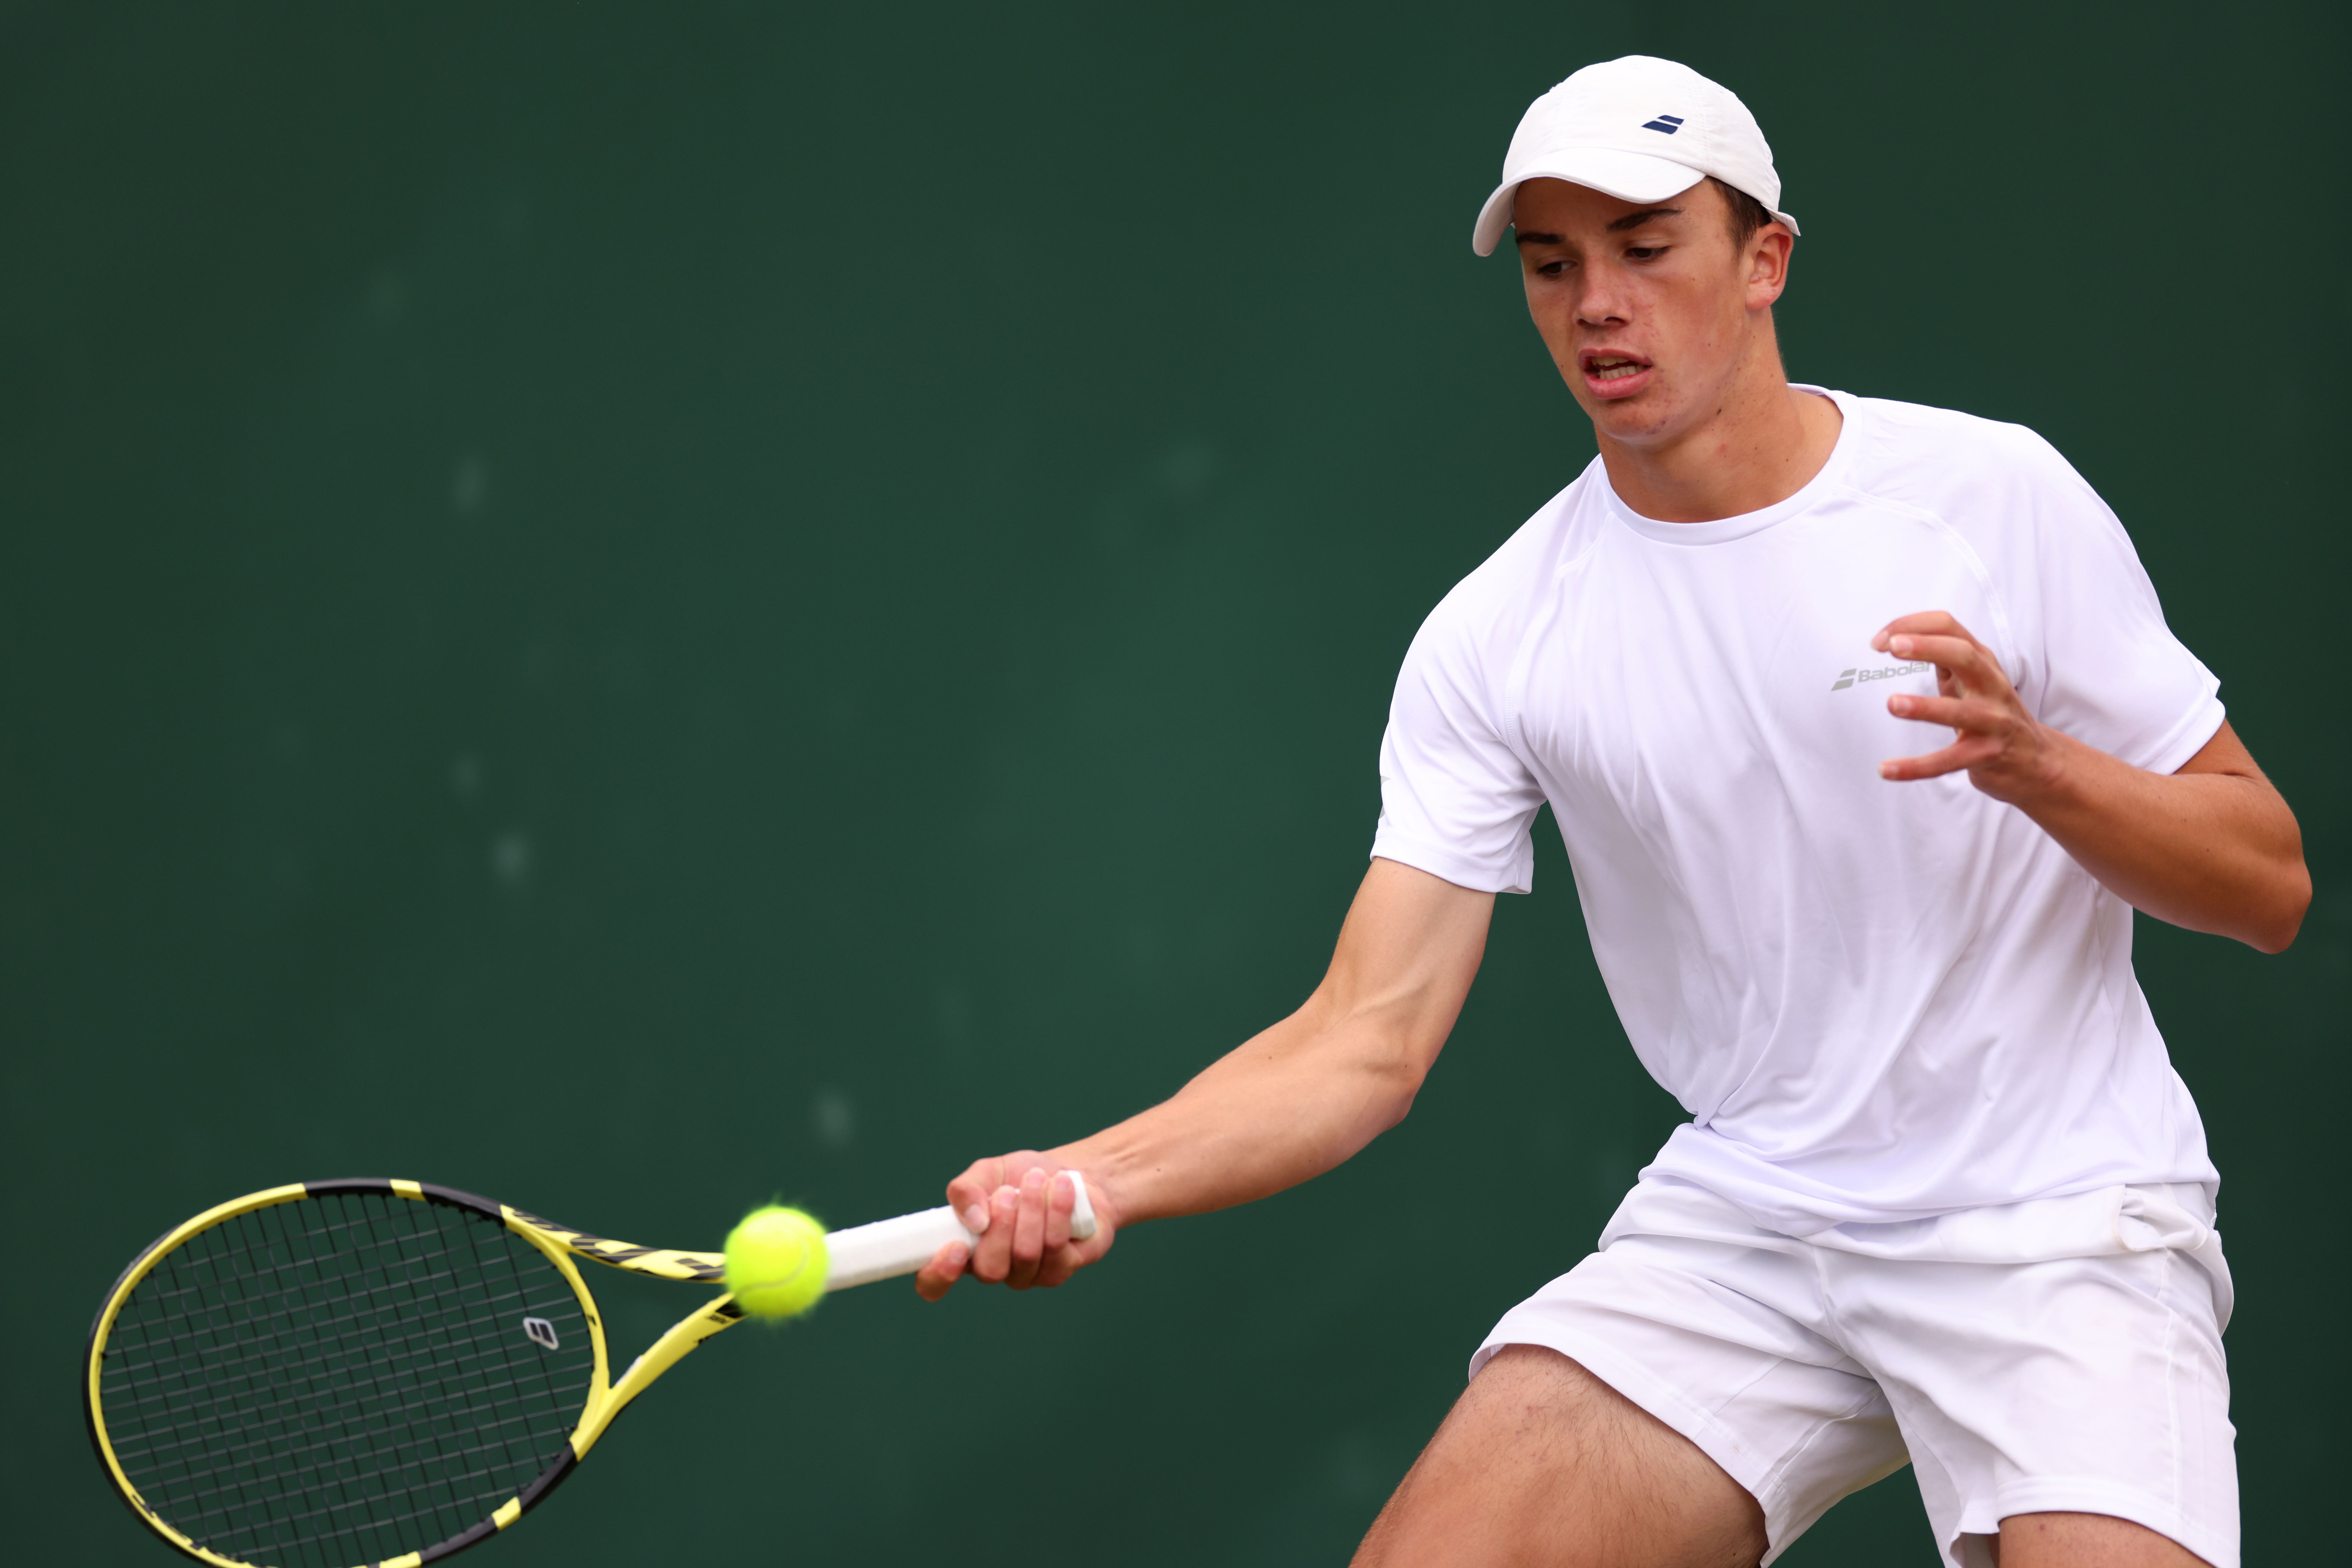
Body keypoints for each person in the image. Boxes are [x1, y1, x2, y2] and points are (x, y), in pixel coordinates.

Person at [911, 55, 2308, 1568]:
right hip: (1756, 1224)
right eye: (1553, 263)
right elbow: (1363, 1041)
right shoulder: (1500, 635)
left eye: (1646, 249)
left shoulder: (1991, 498)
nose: (1595, 303)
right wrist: (1090, 1179)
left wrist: (2040, 767)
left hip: (2055, 1214)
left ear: (1763, 261)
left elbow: (2267, 883)